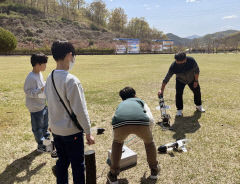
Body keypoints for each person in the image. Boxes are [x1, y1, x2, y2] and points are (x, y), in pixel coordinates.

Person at [45, 41, 95, 184]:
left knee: (62, 161)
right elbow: (80, 110)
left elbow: (49, 103)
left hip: (56, 130)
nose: (73, 59)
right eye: (73, 56)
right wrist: (88, 132)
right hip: (71, 132)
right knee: (77, 165)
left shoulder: (50, 77)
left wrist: (50, 124)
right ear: (69, 55)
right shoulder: (71, 81)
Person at [107, 87, 159, 184]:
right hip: (142, 123)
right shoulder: (140, 101)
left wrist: (116, 138)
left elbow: (115, 119)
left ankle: (113, 174)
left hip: (120, 124)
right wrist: (148, 132)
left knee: (117, 144)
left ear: (122, 98)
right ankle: (154, 170)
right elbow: (151, 119)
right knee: (149, 143)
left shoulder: (121, 104)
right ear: (134, 94)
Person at [158, 52, 205, 116]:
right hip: (180, 80)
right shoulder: (173, 66)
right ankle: (179, 110)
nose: (179, 63)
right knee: (178, 94)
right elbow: (166, 78)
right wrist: (162, 90)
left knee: (197, 91)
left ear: (185, 59)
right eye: (177, 61)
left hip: (192, 79)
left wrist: (196, 81)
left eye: (181, 61)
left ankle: (199, 106)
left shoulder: (191, 61)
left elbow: (196, 71)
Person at [24, 53, 49, 152]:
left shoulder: (39, 74)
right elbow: (28, 92)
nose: (46, 66)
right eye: (44, 64)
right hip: (35, 108)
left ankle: (47, 144)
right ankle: (41, 145)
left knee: (45, 127)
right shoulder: (31, 77)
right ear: (38, 64)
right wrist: (40, 90)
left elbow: (42, 88)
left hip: (42, 105)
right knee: (38, 128)